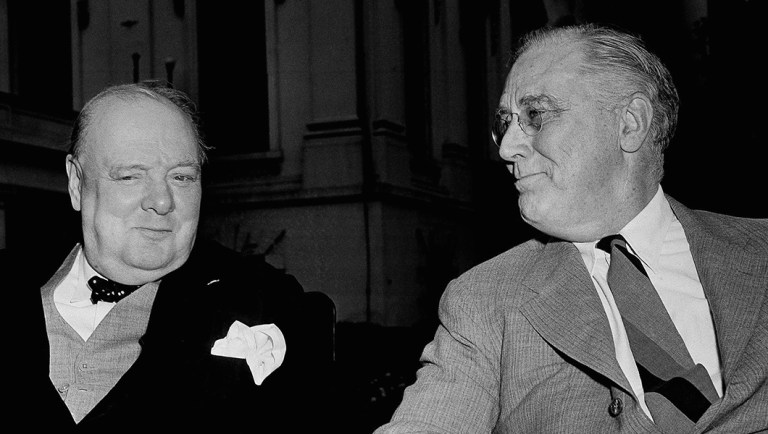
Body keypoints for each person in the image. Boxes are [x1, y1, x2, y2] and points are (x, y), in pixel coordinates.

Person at [376, 24, 767, 433]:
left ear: (630, 123)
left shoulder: (761, 254)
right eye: (505, 123)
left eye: (535, 115)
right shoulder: (485, 301)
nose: (507, 148)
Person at [3, 82, 321, 431]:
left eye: (182, 177)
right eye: (130, 176)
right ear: (77, 183)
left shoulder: (267, 300)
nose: (162, 201)